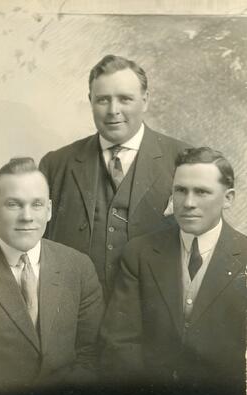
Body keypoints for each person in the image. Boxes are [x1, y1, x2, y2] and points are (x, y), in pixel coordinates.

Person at [100, 147, 247, 395]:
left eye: (201, 192)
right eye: (180, 190)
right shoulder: (140, 253)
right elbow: (120, 342)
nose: (188, 202)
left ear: (228, 199)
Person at [40, 54, 188, 302]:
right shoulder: (56, 165)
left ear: (145, 100)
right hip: (76, 314)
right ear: (90, 101)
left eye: (125, 99)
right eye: (102, 100)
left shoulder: (183, 160)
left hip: (155, 316)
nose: (113, 110)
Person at [0, 157, 103, 392]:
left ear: (49, 210)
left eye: (36, 204)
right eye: (13, 204)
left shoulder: (78, 266)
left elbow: (91, 352)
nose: (27, 216)